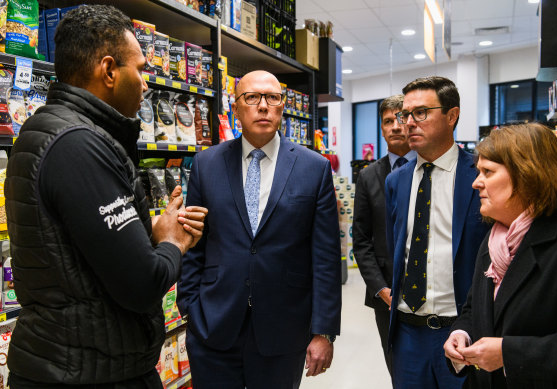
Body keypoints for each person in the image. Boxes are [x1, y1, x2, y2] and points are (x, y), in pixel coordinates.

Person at [5, 5, 207, 388]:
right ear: (110, 70)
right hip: (90, 373)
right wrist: (172, 241)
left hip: (66, 365)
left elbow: (72, 249)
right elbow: (142, 283)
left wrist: (138, 228)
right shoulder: (78, 144)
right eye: (142, 70)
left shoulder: (44, 128)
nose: (146, 84)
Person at [177, 70, 342, 389]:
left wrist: (323, 331)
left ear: (282, 106)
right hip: (213, 325)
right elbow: (194, 242)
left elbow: (325, 257)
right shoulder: (206, 164)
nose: (263, 106)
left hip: (284, 328)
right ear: (236, 109)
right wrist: (190, 308)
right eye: (251, 98)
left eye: (272, 97)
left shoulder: (314, 167)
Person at [444, 123, 557, 388]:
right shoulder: (495, 239)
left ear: (527, 175)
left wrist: (509, 354)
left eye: (488, 172)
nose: (476, 183)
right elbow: (476, 308)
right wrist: (462, 334)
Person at [384, 76, 490, 389]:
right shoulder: (397, 181)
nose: (408, 123)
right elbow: (397, 250)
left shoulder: (480, 175)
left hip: (461, 333)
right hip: (407, 333)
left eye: (421, 113)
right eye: (405, 114)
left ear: (452, 115)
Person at [353, 94, 415, 375]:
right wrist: (380, 288)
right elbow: (362, 240)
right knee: (397, 367)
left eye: (401, 119)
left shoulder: (427, 168)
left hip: (430, 291)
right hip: (385, 294)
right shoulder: (368, 177)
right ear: (381, 128)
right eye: (388, 121)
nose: (395, 126)